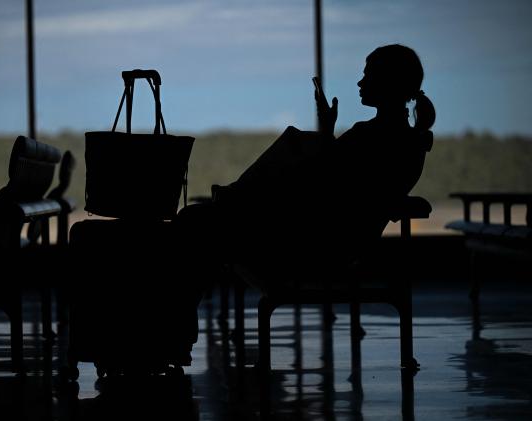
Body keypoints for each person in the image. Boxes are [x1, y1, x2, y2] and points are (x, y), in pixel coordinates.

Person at [177, 43, 435, 284]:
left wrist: (323, 136)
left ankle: (232, 199)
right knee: (199, 221)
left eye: (367, 75)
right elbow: (336, 178)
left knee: (194, 221)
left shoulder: (373, 137)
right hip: (323, 241)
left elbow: (323, 179)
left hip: (311, 249)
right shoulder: (404, 141)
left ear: (388, 82)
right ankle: (232, 200)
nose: (360, 82)